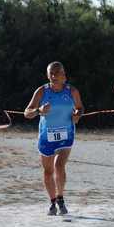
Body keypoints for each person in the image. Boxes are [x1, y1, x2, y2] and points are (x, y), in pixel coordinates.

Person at [24, 62, 84, 215]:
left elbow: (80, 107)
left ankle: (60, 198)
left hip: (66, 134)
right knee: (48, 171)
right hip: (46, 136)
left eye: (61, 72)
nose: (59, 75)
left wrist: (77, 114)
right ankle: (52, 202)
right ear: (50, 76)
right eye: (55, 73)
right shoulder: (41, 91)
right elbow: (27, 112)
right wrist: (39, 110)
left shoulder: (72, 91)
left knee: (59, 165)